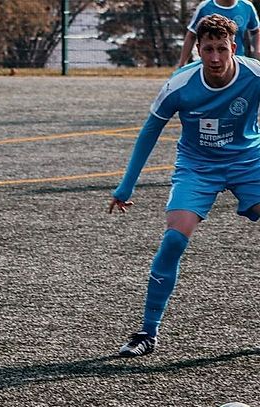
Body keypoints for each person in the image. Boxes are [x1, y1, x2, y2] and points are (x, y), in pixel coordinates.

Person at [110, 14, 260, 357]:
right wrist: (126, 187)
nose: (216, 57)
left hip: (249, 162)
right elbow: (149, 132)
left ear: (233, 47)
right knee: (174, 239)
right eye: (208, 49)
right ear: (198, 51)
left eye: (222, 49)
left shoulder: (254, 75)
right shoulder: (180, 84)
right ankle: (147, 333)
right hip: (198, 167)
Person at [178, 0, 260, 65]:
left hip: (238, 62)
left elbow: (256, 31)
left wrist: (257, 52)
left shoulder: (247, 6)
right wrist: (182, 63)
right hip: (212, 63)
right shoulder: (205, 7)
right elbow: (191, 35)